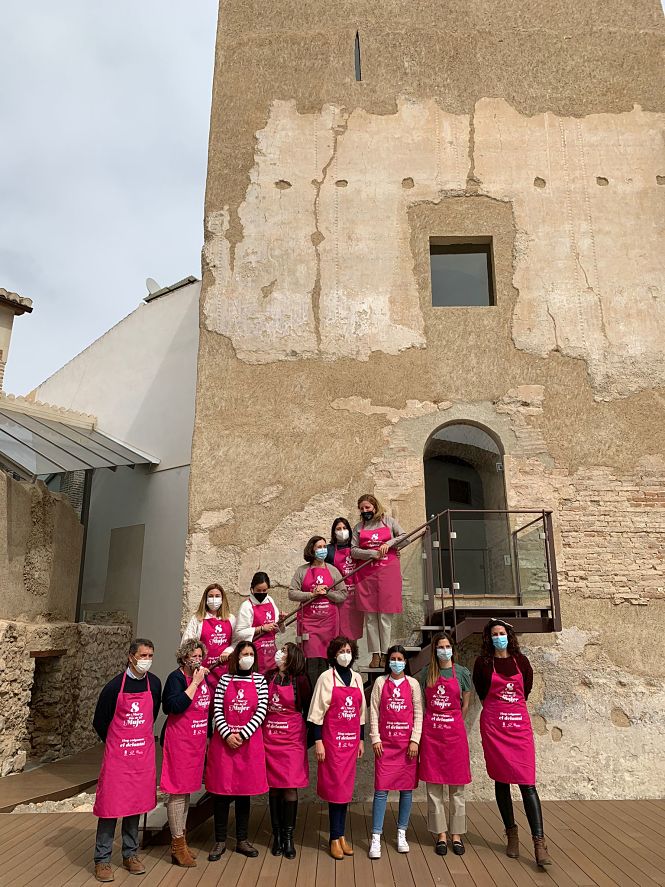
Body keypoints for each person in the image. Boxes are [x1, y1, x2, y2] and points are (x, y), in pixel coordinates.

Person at [473, 618, 552, 868]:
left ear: (509, 635)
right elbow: (482, 692)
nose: (499, 637)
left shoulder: (522, 661)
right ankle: (511, 834)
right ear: (489, 638)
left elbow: (525, 690)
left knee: (528, 783)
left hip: (519, 730)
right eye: (494, 634)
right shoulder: (483, 663)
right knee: (501, 780)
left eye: (502, 633)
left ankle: (539, 842)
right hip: (495, 729)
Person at [92, 638, 161, 883]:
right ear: (131, 657)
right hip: (118, 759)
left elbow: (152, 715)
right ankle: (102, 859)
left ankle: (130, 854)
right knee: (110, 806)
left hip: (141, 758)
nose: (147, 660)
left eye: (150, 655)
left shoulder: (155, 684)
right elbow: (100, 721)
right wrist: (116, 744)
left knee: (135, 804)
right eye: (143, 656)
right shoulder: (113, 687)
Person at [204, 640, 268, 860]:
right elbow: (217, 709)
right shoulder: (225, 680)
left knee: (243, 794)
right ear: (236, 658)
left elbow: (261, 710)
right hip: (224, 745)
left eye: (251, 654)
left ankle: (242, 840)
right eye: (244, 654)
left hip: (248, 745)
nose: (247, 658)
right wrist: (227, 734)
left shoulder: (259, 680)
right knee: (221, 794)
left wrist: (242, 734)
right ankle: (220, 840)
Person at [308, 636, 366, 861]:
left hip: (351, 743)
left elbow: (361, 712)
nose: (345, 655)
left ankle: (341, 836)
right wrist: (318, 741)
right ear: (333, 654)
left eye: (348, 651)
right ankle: (334, 837)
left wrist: (361, 739)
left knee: (346, 790)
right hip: (332, 744)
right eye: (341, 651)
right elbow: (316, 713)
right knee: (336, 790)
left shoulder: (357, 677)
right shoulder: (326, 677)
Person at [419, 631, 472, 856]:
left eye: (447, 646)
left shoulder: (462, 673)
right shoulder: (426, 673)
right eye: (440, 647)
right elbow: (422, 703)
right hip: (432, 737)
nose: (444, 650)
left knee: (457, 789)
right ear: (434, 650)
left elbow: (465, 705)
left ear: (452, 649)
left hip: (454, 737)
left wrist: (453, 722)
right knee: (434, 789)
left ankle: (456, 835)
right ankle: (441, 834)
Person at [160, 639, 211, 867]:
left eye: (200, 656)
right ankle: (177, 845)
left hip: (196, 743)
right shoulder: (176, 678)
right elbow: (172, 706)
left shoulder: (203, 677)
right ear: (183, 658)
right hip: (179, 742)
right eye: (193, 656)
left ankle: (182, 839)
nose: (197, 660)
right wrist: (195, 684)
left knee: (188, 791)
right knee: (177, 792)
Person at [368, 645, 422, 859]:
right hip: (385, 745)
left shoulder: (413, 684)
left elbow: (418, 713)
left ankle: (402, 833)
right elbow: (373, 711)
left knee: (406, 790)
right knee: (381, 790)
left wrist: (415, 740)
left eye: (400, 659)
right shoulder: (380, 683)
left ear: (405, 662)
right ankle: (376, 836)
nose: (396, 662)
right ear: (388, 661)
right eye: (393, 658)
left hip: (407, 746)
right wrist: (375, 737)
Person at [263, 642, 312, 859]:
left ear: (292, 656)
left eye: (283, 651)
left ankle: (289, 837)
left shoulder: (300, 680)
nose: (279, 653)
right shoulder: (268, 677)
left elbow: (309, 709)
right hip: (269, 739)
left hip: (292, 740)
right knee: (274, 788)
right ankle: (277, 836)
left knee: (290, 787)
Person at [350, 494, 406, 668]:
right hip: (366, 576)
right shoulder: (359, 527)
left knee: (384, 616)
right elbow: (353, 551)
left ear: (375, 507)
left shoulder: (388, 521)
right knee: (370, 617)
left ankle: (385, 653)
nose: (364, 510)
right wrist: (371, 553)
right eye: (362, 508)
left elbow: (406, 537)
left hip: (387, 573)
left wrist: (389, 543)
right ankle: (375, 654)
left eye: (367, 507)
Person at [289, 536, 347, 688]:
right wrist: (311, 594)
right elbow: (292, 593)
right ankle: (314, 693)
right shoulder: (302, 571)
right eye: (319, 547)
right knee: (312, 659)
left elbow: (343, 594)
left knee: (328, 658)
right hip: (309, 623)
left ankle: (327, 692)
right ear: (312, 550)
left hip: (329, 624)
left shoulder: (333, 570)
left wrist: (328, 593)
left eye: (324, 547)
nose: (323, 550)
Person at [181, 583, 235, 691]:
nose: (214, 599)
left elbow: (238, 642)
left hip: (226, 672)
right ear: (205, 599)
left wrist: (228, 651)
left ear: (223, 599)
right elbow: (186, 645)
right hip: (203, 672)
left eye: (217, 596)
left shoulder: (231, 619)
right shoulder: (197, 619)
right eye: (210, 596)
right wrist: (198, 667)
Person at [326, 516, 364, 642]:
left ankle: (351, 653)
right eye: (338, 529)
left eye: (344, 528)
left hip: (356, 596)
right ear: (333, 532)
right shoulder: (328, 550)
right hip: (338, 597)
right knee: (338, 632)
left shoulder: (356, 548)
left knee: (353, 632)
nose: (342, 531)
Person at [236, 572, 282, 673]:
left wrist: (282, 621)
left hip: (271, 653)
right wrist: (261, 628)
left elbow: (277, 627)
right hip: (255, 654)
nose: (261, 593)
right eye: (258, 590)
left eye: (264, 590)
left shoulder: (270, 601)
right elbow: (239, 633)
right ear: (252, 589)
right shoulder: (246, 606)